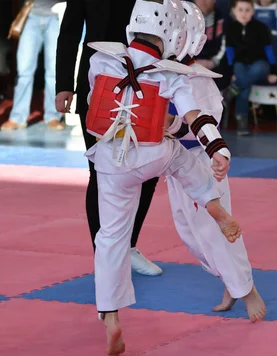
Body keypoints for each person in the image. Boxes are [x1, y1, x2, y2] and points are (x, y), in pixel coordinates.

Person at [85, 0, 240, 356]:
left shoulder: (101, 60)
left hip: (109, 159)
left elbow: (98, 100)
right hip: (151, 154)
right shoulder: (170, 73)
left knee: (110, 237)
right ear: (170, 35)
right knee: (184, 160)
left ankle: (109, 315)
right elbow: (196, 118)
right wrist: (218, 149)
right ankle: (215, 207)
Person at [166, 1, 266, 321]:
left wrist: (218, 152)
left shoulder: (198, 78)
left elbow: (207, 121)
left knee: (217, 229)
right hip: (175, 162)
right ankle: (229, 281)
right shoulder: (159, 73)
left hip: (202, 159)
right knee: (188, 232)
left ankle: (247, 289)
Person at [55, 0, 162, 276]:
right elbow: (69, 32)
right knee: (100, 172)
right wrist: (63, 85)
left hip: (144, 83)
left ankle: (129, 246)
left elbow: (167, 27)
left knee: (148, 170)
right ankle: (104, 255)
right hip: (96, 84)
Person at [1, 0, 66, 131]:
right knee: (24, 71)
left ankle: (53, 116)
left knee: (54, 72)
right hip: (32, 14)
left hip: (56, 16)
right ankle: (18, 117)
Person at [223, 0, 277, 136]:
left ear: (253, 11)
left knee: (258, 69)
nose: (244, 13)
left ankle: (231, 90)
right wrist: (231, 72)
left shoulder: (261, 27)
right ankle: (242, 122)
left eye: (247, 10)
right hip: (240, 63)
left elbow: (268, 50)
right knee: (244, 85)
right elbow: (229, 52)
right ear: (234, 11)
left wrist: (273, 71)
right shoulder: (231, 28)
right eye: (240, 10)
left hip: (259, 63)